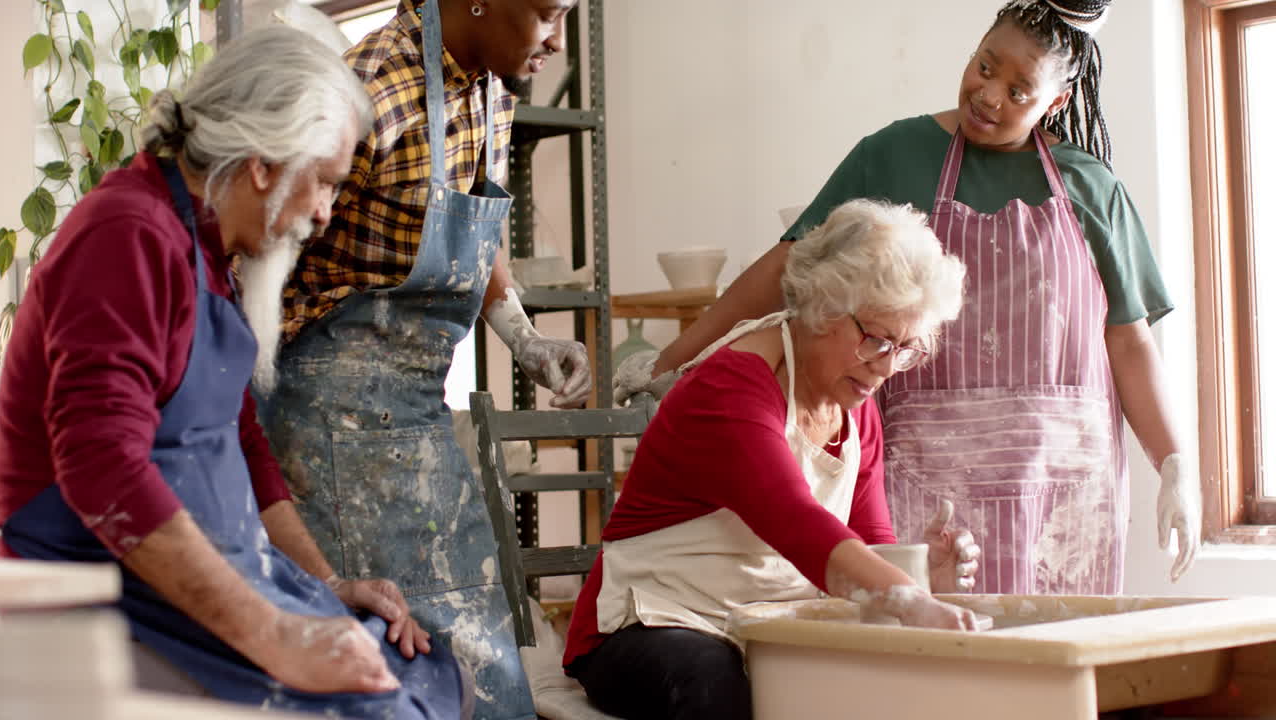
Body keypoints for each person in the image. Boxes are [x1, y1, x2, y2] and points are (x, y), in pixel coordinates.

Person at [617, 0, 1200, 595]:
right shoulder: (893, 155)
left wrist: (1175, 465)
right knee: (929, 653)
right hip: (924, 472)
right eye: (984, 66)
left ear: (1055, 103)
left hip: (1064, 493)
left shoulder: (1092, 187)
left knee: (1058, 668)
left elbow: (1128, 343)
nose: (989, 94)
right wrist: (676, 358)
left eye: (1019, 90)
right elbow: (786, 266)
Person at [0, 26, 471, 719]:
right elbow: (102, 467)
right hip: (101, 584)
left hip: (201, 570)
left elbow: (238, 439)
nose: (323, 213)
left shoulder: (207, 250)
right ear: (263, 164)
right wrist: (279, 635)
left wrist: (322, 582)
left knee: (416, 665)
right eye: (324, 184)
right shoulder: (126, 235)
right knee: (373, 708)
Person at [258, 2, 586, 717]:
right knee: (381, 656)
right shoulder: (374, 83)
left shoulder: (496, 85)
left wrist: (524, 337)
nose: (559, 40)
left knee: (480, 661)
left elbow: (478, 229)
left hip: (417, 408)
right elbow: (271, 236)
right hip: (329, 419)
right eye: (548, 13)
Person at [565, 199, 982, 720]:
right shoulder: (730, 387)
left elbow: (872, 542)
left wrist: (923, 580)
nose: (886, 367)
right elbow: (796, 523)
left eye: (906, 349)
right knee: (716, 681)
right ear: (822, 306)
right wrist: (906, 598)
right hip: (650, 624)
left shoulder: (855, 406)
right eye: (875, 339)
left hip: (763, 629)